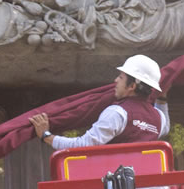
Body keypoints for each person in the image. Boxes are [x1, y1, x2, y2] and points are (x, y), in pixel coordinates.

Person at [30, 55, 169, 149]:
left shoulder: (117, 113)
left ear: (132, 86)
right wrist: (162, 100)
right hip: (150, 188)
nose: (116, 81)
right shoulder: (159, 118)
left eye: (121, 77)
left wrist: (46, 136)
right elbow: (165, 127)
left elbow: (84, 145)